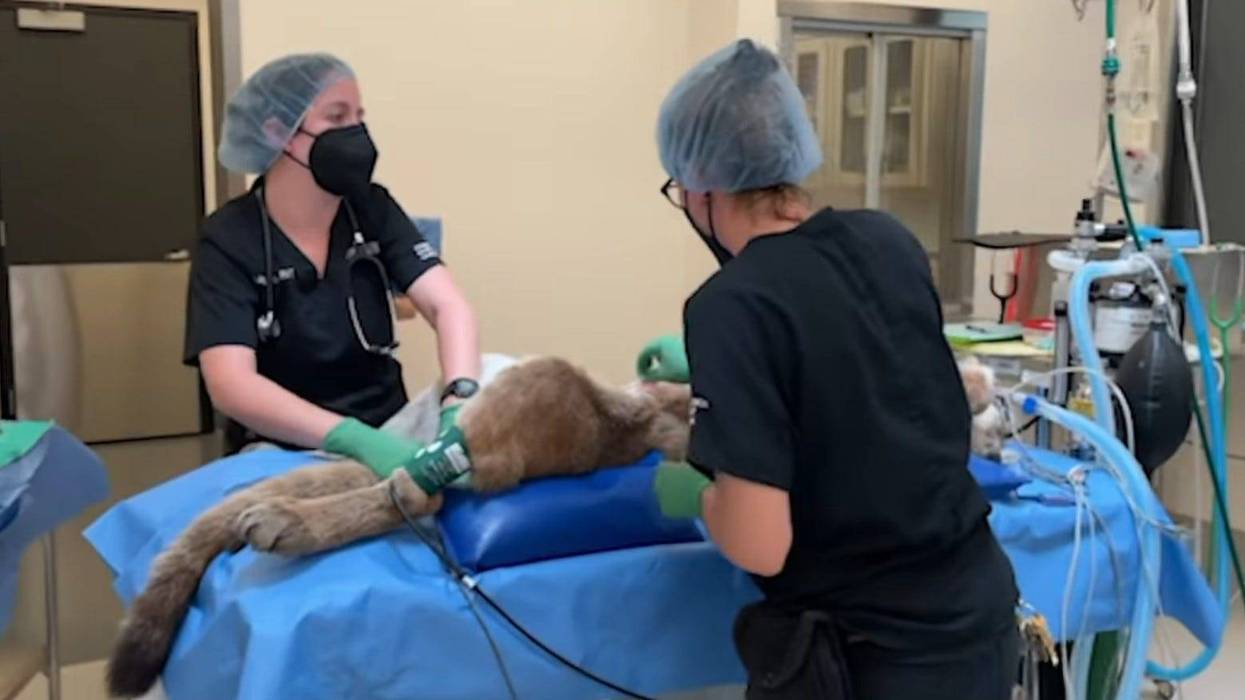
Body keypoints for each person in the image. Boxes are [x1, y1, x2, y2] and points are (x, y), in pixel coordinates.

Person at [648, 40, 1020, 699]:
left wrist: (700, 496)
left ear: (701, 187)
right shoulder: (885, 239)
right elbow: (861, 375)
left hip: (873, 654)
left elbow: (761, 544)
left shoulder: (729, 305)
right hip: (978, 613)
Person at [184, 53, 480, 479]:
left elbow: (447, 306)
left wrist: (460, 399)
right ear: (278, 132)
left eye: (359, 116)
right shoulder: (230, 237)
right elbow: (231, 384)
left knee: (510, 379)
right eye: (336, 117)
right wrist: (353, 439)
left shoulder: (371, 207)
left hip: (391, 429)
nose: (356, 133)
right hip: (284, 446)